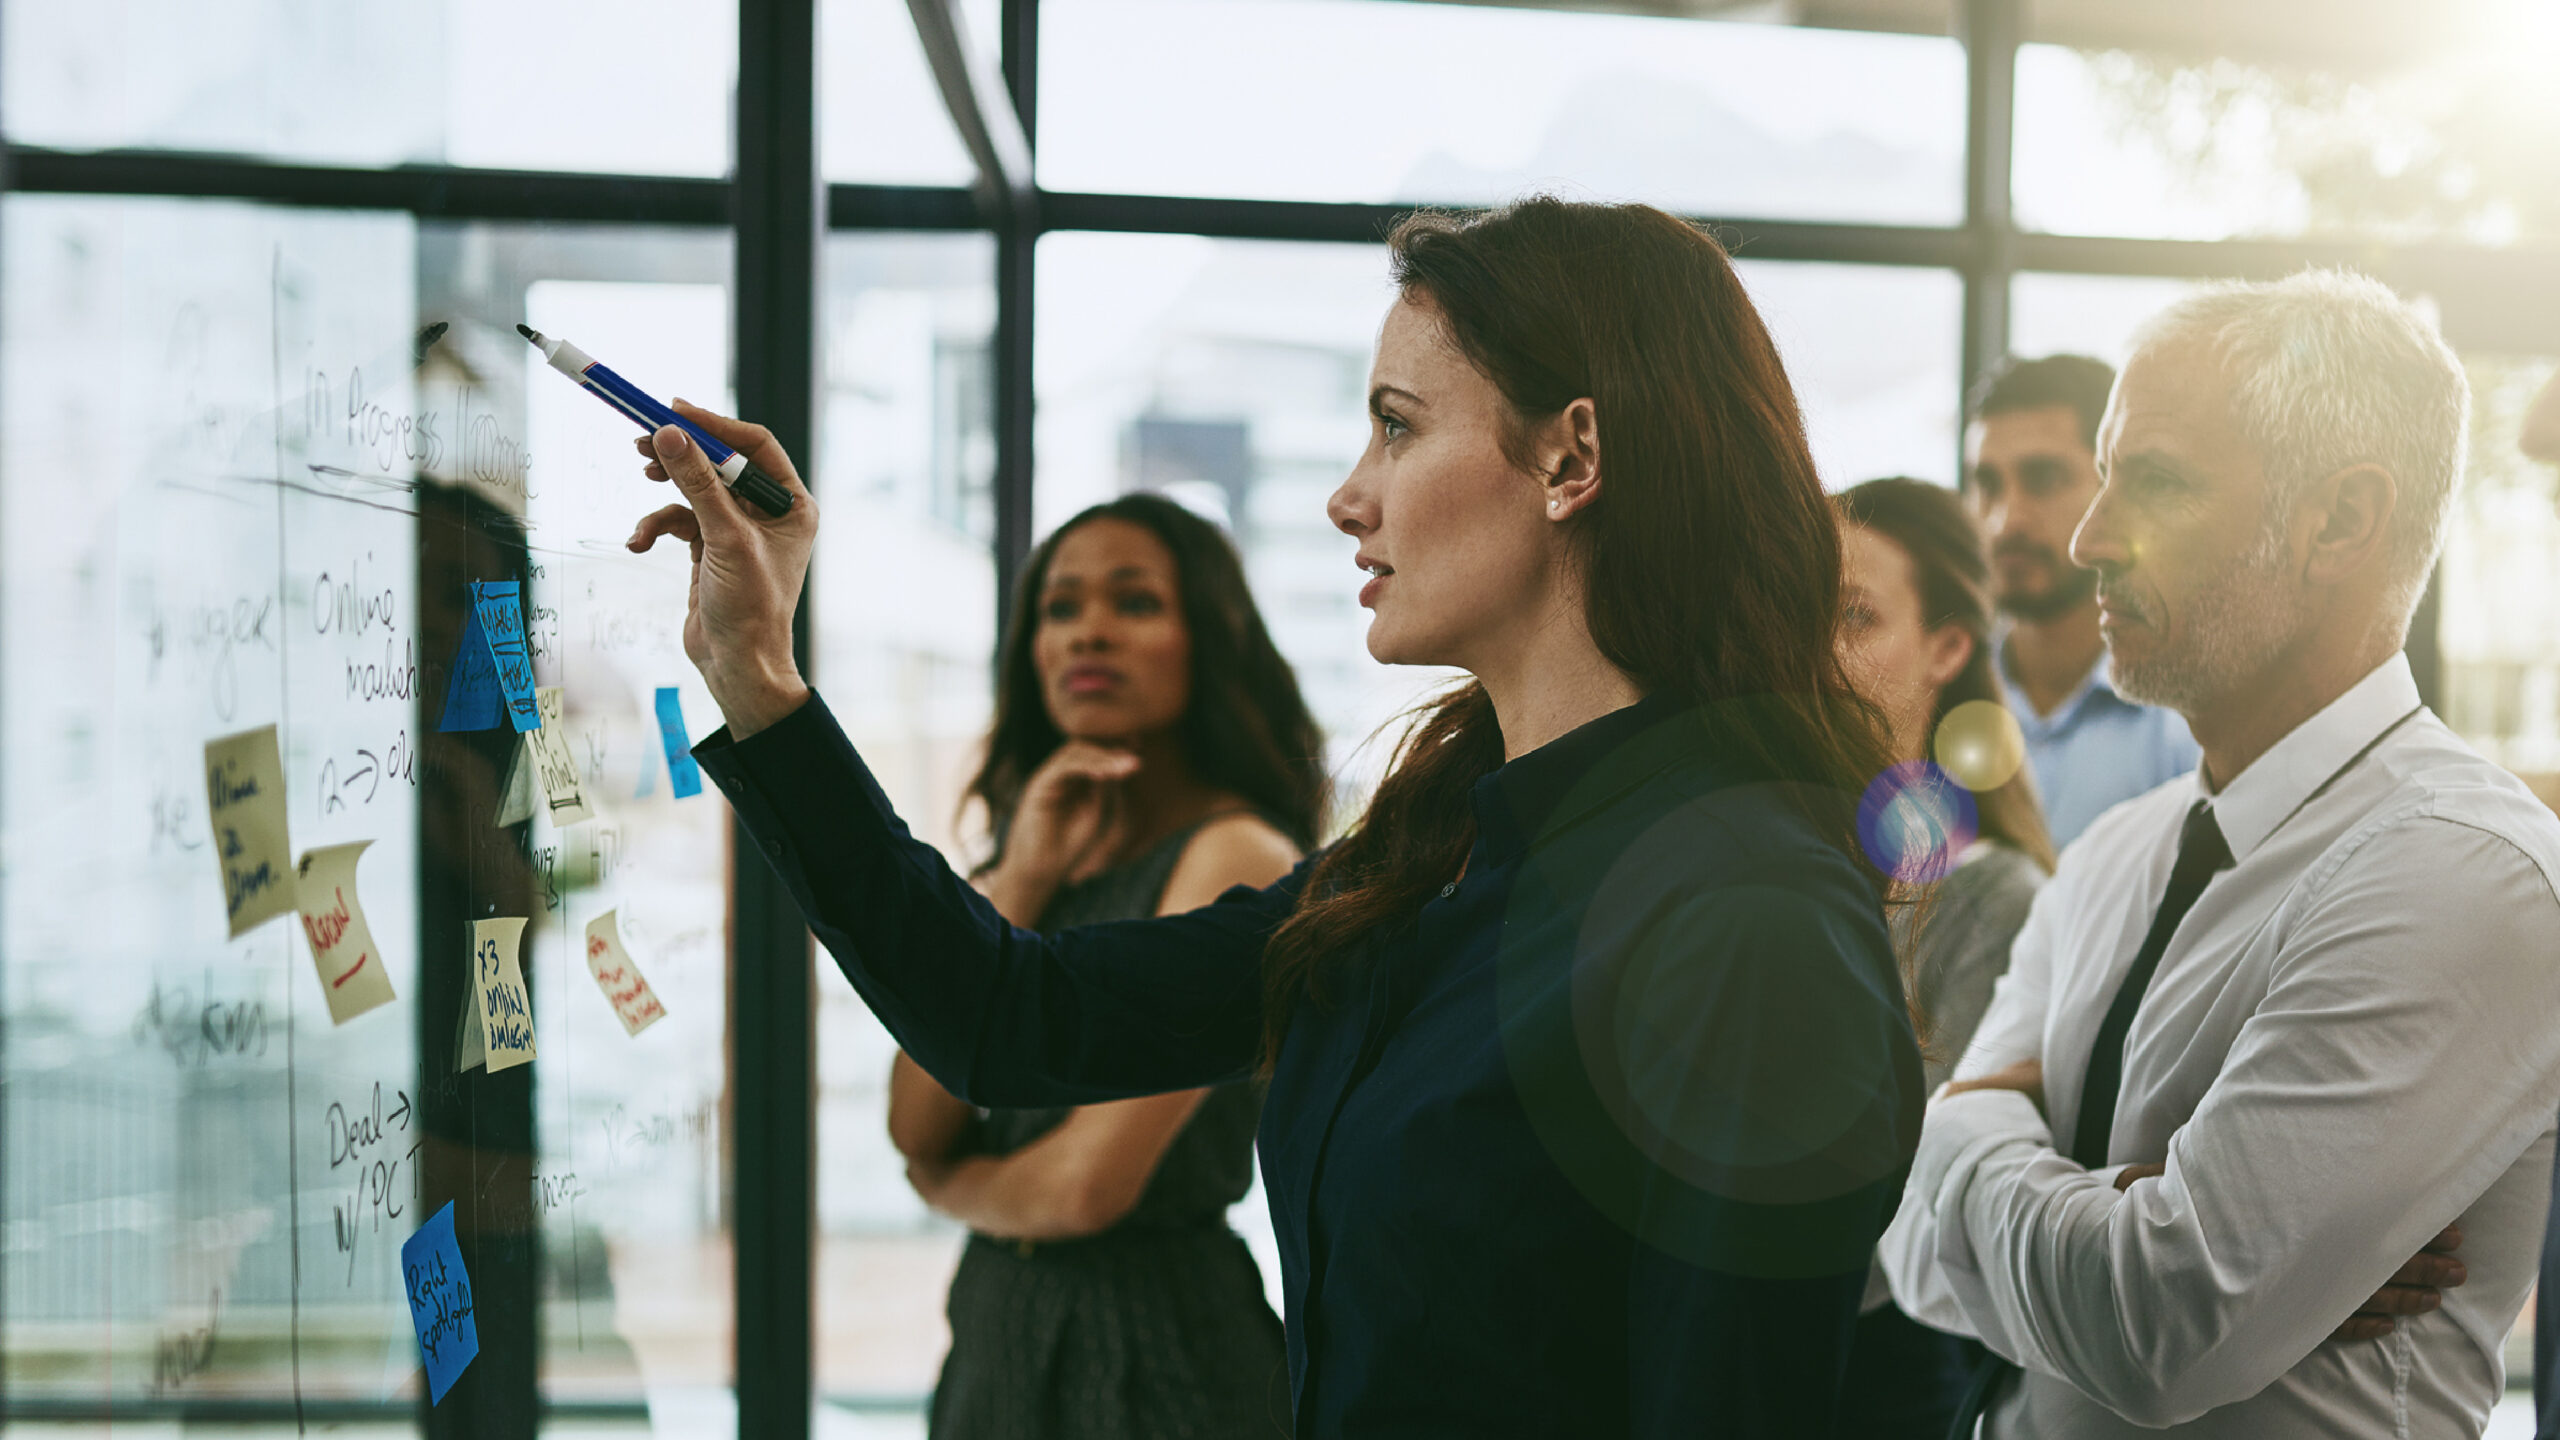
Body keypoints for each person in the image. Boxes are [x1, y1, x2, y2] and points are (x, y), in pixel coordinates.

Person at [627, 197, 1924, 1437]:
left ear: (1569, 457)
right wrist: (760, 678)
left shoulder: (1751, 916)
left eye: (1399, 428)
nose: (1348, 494)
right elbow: (1012, 1016)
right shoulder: (1440, 848)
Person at [1879, 270, 2560, 1438]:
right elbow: (1911, 1261)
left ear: (2339, 522)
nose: (2088, 537)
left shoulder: (2464, 871)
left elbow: (2156, 1327)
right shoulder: (2106, 855)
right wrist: (2093, 1203)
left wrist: (1961, 1137)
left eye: (2151, 481)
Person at [885, 493, 1319, 1439]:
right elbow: (916, 1118)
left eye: (1134, 603)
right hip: (997, 1335)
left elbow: (1086, 1188)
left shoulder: (1236, 851)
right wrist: (1027, 875)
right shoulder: (1030, 849)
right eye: (1061, 607)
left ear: (1206, 638)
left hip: (1154, 1350)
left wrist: (955, 1190)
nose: (1089, 633)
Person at [1829, 477, 2053, 1438]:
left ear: (1948, 648)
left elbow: (1911, 1202)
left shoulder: (1990, 895)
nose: (1813, 648)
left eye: (1852, 616)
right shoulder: (1781, 861)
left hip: (1882, 1370)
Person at [1965, 356, 2199, 849]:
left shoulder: (2189, 727)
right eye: (1987, 485)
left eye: (2043, 479)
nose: (2005, 522)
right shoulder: (1939, 698)